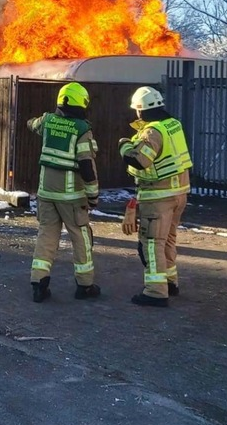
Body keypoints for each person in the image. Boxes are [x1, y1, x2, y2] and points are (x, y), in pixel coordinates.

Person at [26, 82, 101, 303]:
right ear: (82, 102)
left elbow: (31, 124)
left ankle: (39, 282)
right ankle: (85, 285)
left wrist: (43, 120)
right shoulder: (82, 130)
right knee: (80, 237)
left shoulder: (48, 121)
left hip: (46, 193)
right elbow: (87, 166)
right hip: (72, 197)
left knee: (46, 236)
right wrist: (93, 195)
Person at [119, 86, 192, 307]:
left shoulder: (152, 132)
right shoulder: (173, 124)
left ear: (141, 110)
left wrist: (124, 147)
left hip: (158, 197)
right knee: (168, 240)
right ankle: (170, 282)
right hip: (179, 193)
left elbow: (141, 161)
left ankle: (155, 291)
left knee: (151, 244)